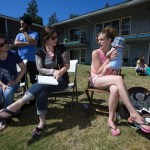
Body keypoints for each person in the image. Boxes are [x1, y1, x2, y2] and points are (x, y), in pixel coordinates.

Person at [0, 26, 70, 137]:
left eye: (57, 37)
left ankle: (19, 103)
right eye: (53, 37)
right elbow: (40, 69)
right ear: (46, 39)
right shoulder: (39, 51)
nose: (56, 39)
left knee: (41, 85)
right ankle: (41, 123)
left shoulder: (61, 48)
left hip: (61, 81)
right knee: (41, 91)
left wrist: (59, 72)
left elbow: (67, 65)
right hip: (47, 80)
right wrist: (53, 71)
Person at [90, 26, 150, 136]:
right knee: (118, 79)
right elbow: (98, 72)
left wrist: (115, 63)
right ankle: (133, 113)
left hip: (109, 79)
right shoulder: (96, 53)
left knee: (116, 88)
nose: (99, 42)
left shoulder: (116, 52)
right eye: (98, 40)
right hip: (97, 80)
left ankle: (110, 120)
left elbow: (114, 69)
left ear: (109, 40)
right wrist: (108, 59)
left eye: (102, 39)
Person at [0, 34, 26, 130]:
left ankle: (4, 118)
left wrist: (15, 81)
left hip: (13, 82)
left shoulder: (13, 54)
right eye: (1, 45)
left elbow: (23, 68)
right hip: (1, 83)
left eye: (5, 42)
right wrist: (2, 85)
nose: (5, 45)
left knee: (8, 93)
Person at [14, 16, 39, 93]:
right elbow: (16, 44)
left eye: (23, 24)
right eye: (20, 24)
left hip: (31, 60)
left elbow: (34, 42)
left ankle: (35, 91)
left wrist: (24, 33)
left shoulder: (35, 33)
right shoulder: (18, 35)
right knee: (22, 77)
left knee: (33, 78)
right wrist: (29, 43)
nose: (21, 26)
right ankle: (24, 91)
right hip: (20, 60)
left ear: (28, 25)